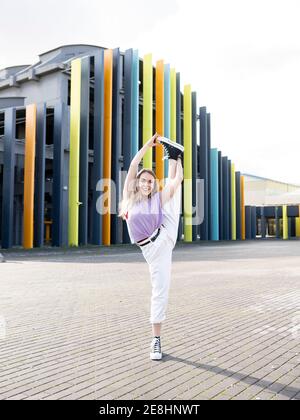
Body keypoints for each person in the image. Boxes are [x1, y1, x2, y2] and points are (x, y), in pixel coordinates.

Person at [118, 132, 184, 360]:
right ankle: (174, 155)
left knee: (159, 291)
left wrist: (180, 165)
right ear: (137, 182)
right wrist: (149, 144)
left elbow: (176, 182)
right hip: (150, 249)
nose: (146, 183)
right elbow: (134, 163)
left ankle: (155, 340)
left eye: (150, 181)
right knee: (172, 193)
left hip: (164, 239)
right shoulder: (128, 196)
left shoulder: (155, 199)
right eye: (143, 180)